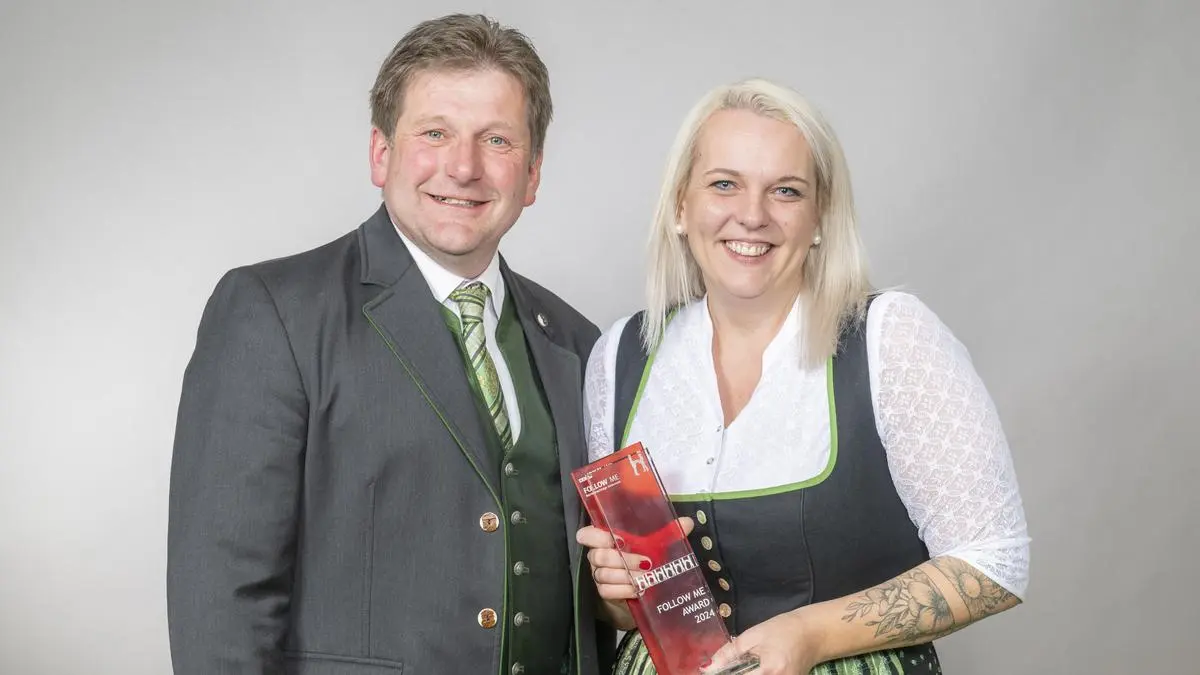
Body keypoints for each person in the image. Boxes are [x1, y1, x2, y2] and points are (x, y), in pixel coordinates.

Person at [167, 14, 614, 674]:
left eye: (496, 140)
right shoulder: (274, 312)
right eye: (435, 133)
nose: (463, 167)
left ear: (532, 174)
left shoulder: (577, 341)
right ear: (381, 153)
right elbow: (219, 603)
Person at [577, 78, 1030, 674]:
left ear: (819, 217)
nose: (752, 216)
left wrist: (810, 634)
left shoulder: (889, 337)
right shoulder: (620, 355)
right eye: (724, 184)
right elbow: (619, 611)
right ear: (681, 207)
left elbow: (995, 562)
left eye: (786, 191)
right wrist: (616, 592)